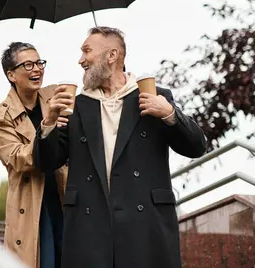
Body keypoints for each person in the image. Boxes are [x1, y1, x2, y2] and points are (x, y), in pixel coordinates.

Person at [33, 27, 207, 268]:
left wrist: (169, 113)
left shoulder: (154, 96)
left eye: (87, 51)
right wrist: (50, 122)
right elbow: (46, 162)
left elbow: (197, 147)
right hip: (89, 229)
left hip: (146, 227)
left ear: (112, 55)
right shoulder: (75, 105)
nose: (80, 60)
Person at [0, 42, 68, 268]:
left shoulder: (56, 94)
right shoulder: (1, 116)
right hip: (33, 204)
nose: (37, 69)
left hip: (66, 195)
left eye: (39, 63)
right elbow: (19, 158)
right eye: (28, 65)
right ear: (11, 74)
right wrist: (48, 125)